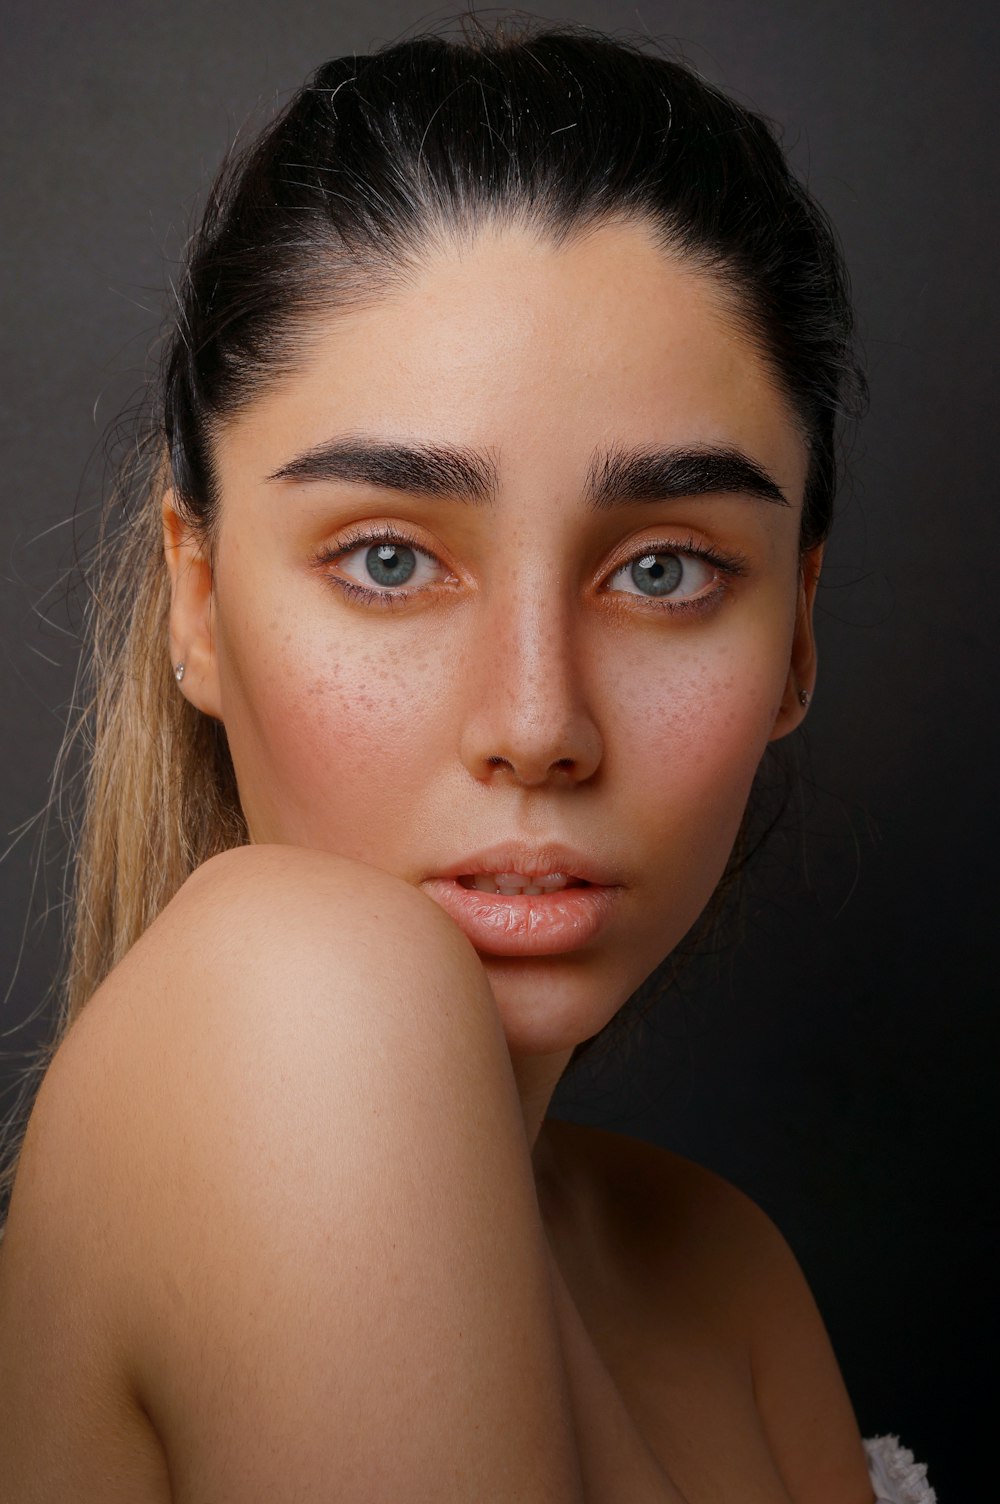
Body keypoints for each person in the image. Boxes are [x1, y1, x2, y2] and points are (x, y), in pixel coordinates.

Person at [0, 14, 937, 1502]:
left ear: (798, 636)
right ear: (197, 597)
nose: (537, 724)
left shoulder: (723, 1275)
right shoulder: (299, 996)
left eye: (664, 574)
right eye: (388, 558)